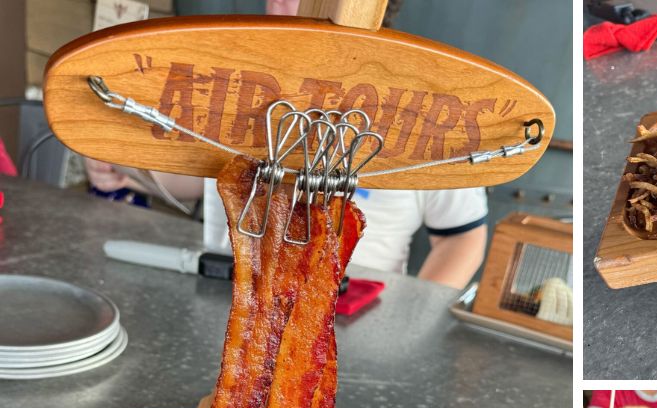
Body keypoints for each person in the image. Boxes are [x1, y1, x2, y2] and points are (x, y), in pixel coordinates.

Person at [81, 0, 488, 290]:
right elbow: (203, 177)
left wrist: (413, 314)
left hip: (355, 307)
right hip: (228, 292)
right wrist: (129, 172)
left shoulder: (425, 105)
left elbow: (462, 236)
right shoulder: (239, 81)